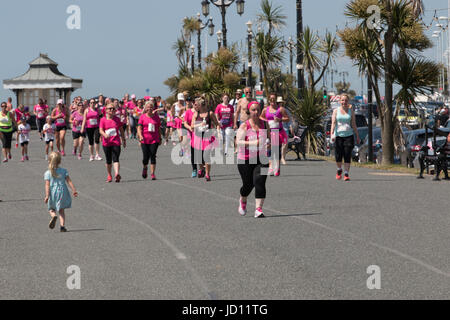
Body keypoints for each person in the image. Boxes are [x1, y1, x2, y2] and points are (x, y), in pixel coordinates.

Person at [236, 100, 269, 218]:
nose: (256, 112)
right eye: (253, 110)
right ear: (249, 112)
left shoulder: (265, 124)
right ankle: (243, 199)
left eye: (258, 110)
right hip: (245, 159)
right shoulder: (244, 125)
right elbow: (238, 142)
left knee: (260, 181)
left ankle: (258, 209)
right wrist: (254, 142)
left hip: (262, 158)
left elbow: (269, 138)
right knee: (248, 185)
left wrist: (269, 144)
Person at [44, 152, 78, 232]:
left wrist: (47, 195)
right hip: (63, 191)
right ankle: (62, 226)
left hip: (53, 192)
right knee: (61, 210)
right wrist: (74, 190)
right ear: (59, 161)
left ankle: (53, 215)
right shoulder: (63, 171)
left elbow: (47, 185)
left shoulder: (48, 173)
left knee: (51, 208)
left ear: (49, 161)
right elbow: (69, 181)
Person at [330, 94, 360, 181]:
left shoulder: (351, 111)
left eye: (346, 100)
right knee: (338, 155)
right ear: (340, 101)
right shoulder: (336, 111)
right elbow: (333, 123)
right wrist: (332, 134)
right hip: (338, 135)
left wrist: (357, 135)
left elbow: (353, 124)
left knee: (347, 154)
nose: (344, 102)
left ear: (348, 101)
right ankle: (339, 169)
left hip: (349, 135)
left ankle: (346, 173)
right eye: (342, 100)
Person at [260, 93, 290, 176]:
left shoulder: (280, 109)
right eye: (271, 99)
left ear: (276, 100)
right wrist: (266, 121)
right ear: (269, 100)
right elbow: (261, 117)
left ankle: (277, 168)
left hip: (278, 132)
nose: (272, 100)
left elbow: (287, 118)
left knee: (275, 151)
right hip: (269, 132)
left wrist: (280, 119)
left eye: (274, 99)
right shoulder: (265, 110)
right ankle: (271, 167)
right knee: (268, 150)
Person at [191, 98, 220, 181]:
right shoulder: (196, 114)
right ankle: (201, 169)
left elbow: (217, 124)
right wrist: (200, 124)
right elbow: (192, 126)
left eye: (198, 105)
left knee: (207, 156)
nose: (196, 106)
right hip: (198, 137)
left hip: (207, 137)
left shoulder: (210, 113)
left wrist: (217, 132)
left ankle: (207, 174)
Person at [99, 103, 126, 183]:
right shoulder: (103, 120)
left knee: (116, 158)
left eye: (113, 108)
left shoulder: (117, 119)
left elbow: (121, 130)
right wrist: (104, 135)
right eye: (110, 108)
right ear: (106, 110)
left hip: (116, 142)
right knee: (108, 160)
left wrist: (123, 139)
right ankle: (109, 174)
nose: (112, 110)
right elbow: (100, 130)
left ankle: (117, 174)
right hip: (106, 143)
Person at [137, 101, 162, 180]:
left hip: (154, 139)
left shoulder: (156, 117)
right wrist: (140, 136)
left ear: (153, 108)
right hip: (144, 140)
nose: (149, 109)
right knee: (145, 157)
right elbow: (139, 128)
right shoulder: (142, 117)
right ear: (145, 108)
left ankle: (152, 174)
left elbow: (158, 129)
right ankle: (145, 167)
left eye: (151, 107)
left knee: (153, 155)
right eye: (148, 107)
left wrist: (160, 138)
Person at [183, 97, 198, 177]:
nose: (196, 105)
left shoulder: (201, 112)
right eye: (195, 103)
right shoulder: (188, 112)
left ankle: (202, 168)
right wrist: (189, 128)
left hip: (200, 134)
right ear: (192, 103)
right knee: (193, 153)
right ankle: (194, 169)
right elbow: (185, 123)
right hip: (191, 133)